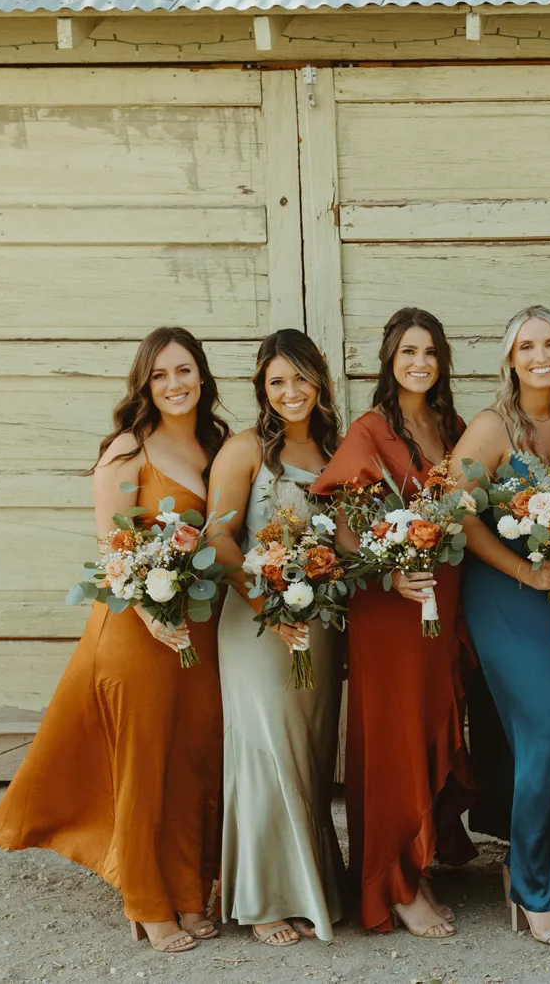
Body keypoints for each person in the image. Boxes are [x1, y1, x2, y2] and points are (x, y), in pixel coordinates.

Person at [0, 327, 231, 953]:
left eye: (184, 371)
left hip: (198, 629)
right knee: (143, 764)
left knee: (194, 757)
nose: (174, 385)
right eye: (160, 376)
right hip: (136, 628)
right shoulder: (127, 449)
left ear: (202, 374)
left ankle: (191, 891)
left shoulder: (217, 445)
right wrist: (149, 614)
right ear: (144, 385)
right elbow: (111, 548)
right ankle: (148, 905)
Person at [308, 308, 472, 937]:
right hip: (393, 612)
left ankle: (419, 865)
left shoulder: (453, 426)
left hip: (444, 605)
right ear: (389, 359)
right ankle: (393, 887)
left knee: (430, 727)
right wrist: (389, 573)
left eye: (430, 351)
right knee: (396, 739)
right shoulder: (371, 428)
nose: (420, 362)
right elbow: (344, 524)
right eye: (408, 351)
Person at [451, 305, 550, 947]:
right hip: (504, 596)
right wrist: (525, 574)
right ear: (509, 358)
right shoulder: (491, 426)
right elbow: (460, 513)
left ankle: (545, 871)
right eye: (527, 345)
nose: (540, 355)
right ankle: (534, 890)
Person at [207, 329, 345, 945]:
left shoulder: (335, 450)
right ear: (263, 390)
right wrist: (266, 601)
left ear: (320, 381)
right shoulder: (244, 452)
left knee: (309, 756)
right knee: (264, 750)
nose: (291, 393)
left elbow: (345, 540)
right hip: (256, 621)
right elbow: (218, 539)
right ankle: (263, 898)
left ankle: (308, 885)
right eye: (277, 382)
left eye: (301, 379)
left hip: (318, 624)